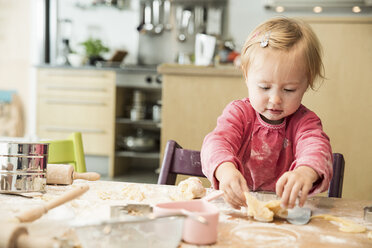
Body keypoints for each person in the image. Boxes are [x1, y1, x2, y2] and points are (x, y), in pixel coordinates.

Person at [201, 17, 333, 210]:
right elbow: (216, 143)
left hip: (287, 212)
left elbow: (317, 147)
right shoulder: (239, 114)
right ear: (246, 77)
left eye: (289, 90)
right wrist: (225, 171)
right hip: (239, 208)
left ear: (307, 84)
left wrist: (305, 172)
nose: (275, 99)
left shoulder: (305, 122)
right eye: (264, 87)